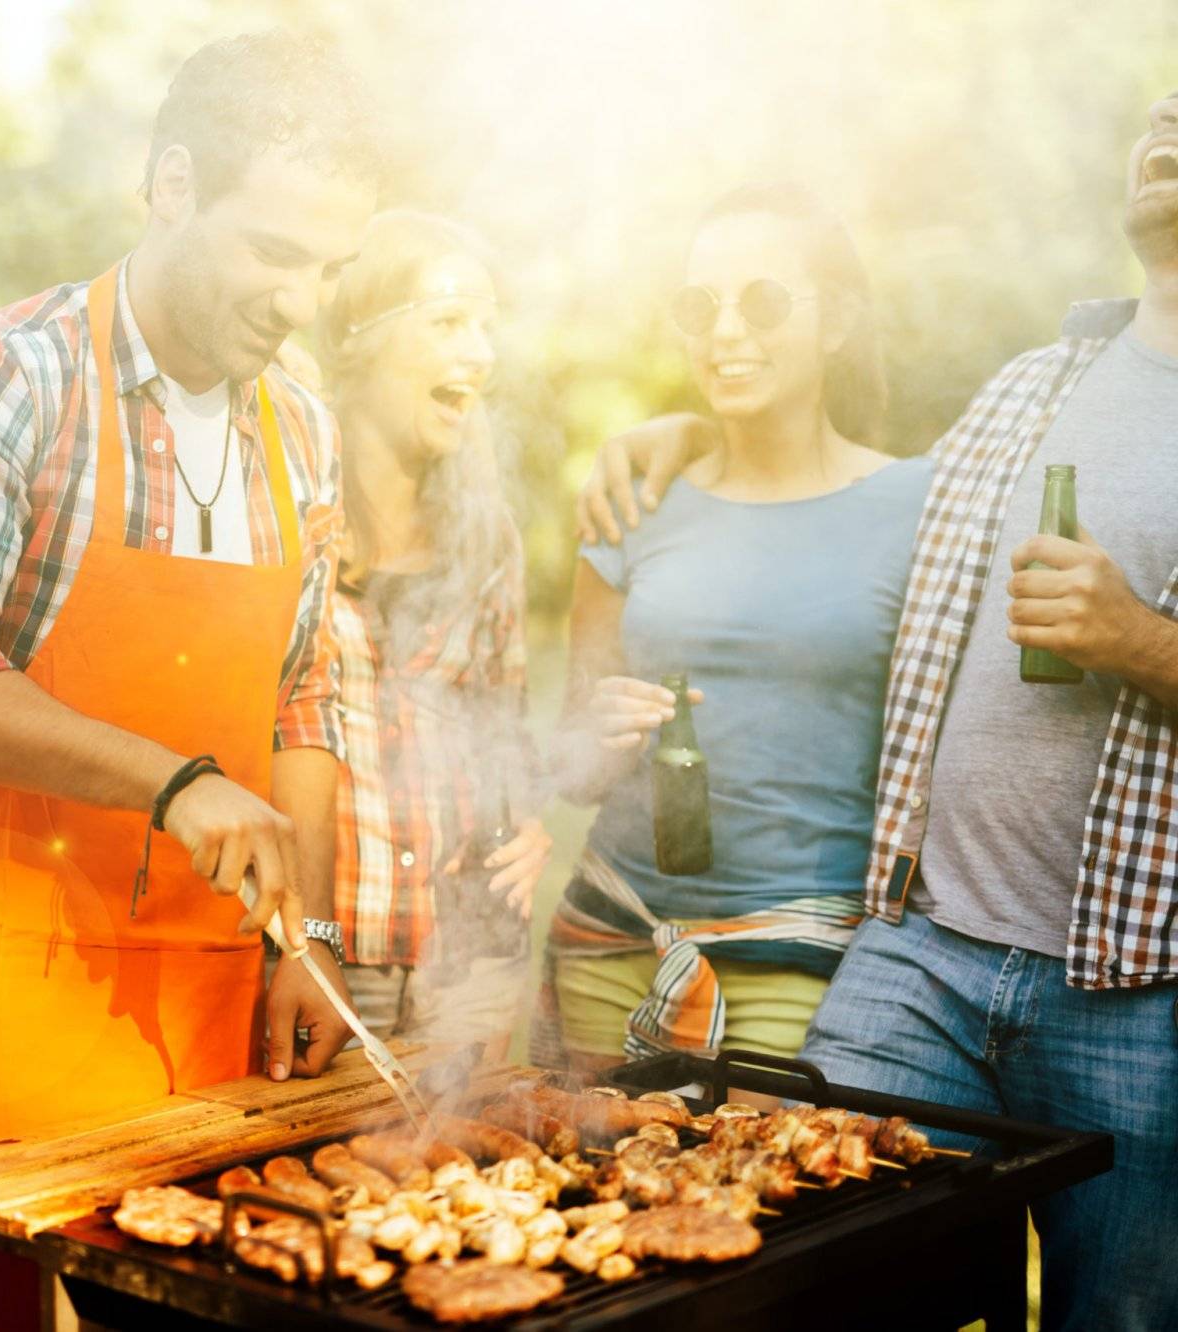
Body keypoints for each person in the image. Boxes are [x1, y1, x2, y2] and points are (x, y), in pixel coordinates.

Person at [577, 98, 1178, 1332]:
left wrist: (1141, 644)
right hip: (922, 947)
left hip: (1137, 983)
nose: (1166, 107)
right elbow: (805, 479)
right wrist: (685, 427)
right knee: (797, 1272)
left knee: (1114, 1319)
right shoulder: (1031, 383)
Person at [0, 31, 380, 1331]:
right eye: (275, 251)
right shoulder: (2, 379)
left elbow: (303, 689)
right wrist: (175, 785)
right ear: (176, 186)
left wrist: (302, 941)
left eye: (330, 264)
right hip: (3, 963)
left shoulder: (298, 423)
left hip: (207, 987)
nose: (300, 298)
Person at [539, 185, 933, 1080]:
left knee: (774, 1213)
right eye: (699, 304)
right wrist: (592, 736)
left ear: (836, 322)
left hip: (803, 957)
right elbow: (570, 767)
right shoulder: (631, 501)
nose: (724, 330)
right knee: (584, 1214)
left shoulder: (919, 503)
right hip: (611, 939)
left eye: (762, 301)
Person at [310, 211, 551, 1060]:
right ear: (358, 342)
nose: (480, 353)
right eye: (449, 322)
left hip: (472, 955)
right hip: (331, 958)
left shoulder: (487, 535)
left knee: (466, 1191)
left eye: (486, 327)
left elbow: (505, 730)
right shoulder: (285, 511)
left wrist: (530, 819)